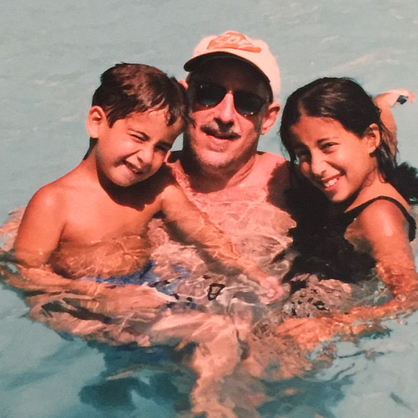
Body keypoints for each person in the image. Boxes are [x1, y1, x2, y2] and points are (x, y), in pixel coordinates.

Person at [12, 62, 282, 298]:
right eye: (139, 138)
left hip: (150, 284)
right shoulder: (54, 202)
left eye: (162, 147)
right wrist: (100, 296)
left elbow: (204, 234)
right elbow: (26, 274)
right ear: (96, 122)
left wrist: (252, 272)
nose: (146, 157)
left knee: (220, 333)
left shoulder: (157, 187)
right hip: (88, 293)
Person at [270, 77, 418, 351]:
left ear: (370, 139)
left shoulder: (377, 217)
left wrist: (336, 323)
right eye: (303, 154)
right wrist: (381, 104)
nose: (317, 167)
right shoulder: (368, 161)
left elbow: (409, 297)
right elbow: (387, 137)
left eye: (327, 146)